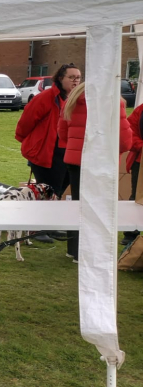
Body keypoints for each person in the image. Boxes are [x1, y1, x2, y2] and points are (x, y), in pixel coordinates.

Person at [57, 82, 132, 263]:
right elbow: (125, 140)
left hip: (76, 161)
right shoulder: (114, 102)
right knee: (100, 208)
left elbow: (62, 132)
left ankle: (74, 249)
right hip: (102, 162)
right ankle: (91, 251)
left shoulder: (72, 100)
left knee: (77, 205)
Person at [15, 63, 80, 198]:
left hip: (68, 155)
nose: (76, 81)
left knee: (59, 193)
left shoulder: (77, 99)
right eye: (72, 77)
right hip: (47, 155)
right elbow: (26, 121)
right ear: (61, 78)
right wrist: (30, 142)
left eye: (78, 78)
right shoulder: (46, 97)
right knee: (50, 194)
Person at [121, 101, 143, 245]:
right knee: (136, 196)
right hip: (140, 161)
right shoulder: (140, 110)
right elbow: (131, 132)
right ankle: (130, 232)